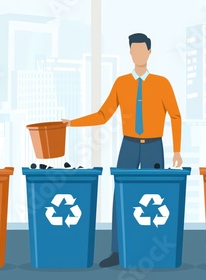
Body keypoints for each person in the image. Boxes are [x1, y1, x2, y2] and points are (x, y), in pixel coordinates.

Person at [62, 33, 183, 267]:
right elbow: (103, 115)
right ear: (130, 53)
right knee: (121, 197)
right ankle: (117, 251)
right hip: (128, 145)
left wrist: (177, 150)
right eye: (134, 51)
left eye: (142, 50)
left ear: (149, 52)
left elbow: (175, 115)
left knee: (154, 197)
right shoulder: (121, 83)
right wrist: (71, 123)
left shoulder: (162, 83)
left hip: (153, 146)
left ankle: (151, 247)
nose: (138, 55)